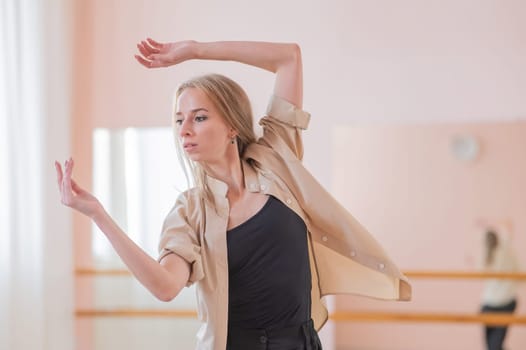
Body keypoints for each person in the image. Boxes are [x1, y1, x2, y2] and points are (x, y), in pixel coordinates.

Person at [55, 39, 411, 350]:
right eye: (179, 120)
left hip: (303, 340)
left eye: (199, 117)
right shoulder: (190, 209)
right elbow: (165, 286)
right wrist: (98, 214)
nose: (185, 131)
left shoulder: (275, 159)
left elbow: (289, 57)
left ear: (231, 126)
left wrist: (197, 50)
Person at [480, 227, 520, 350]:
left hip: (497, 304)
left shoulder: (501, 253)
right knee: (494, 345)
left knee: (493, 346)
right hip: (495, 304)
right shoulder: (498, 253)